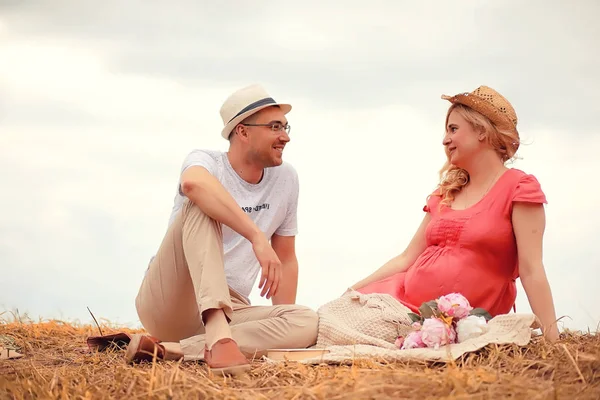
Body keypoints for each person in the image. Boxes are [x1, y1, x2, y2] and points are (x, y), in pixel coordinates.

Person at [125, 84, 318, 375]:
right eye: (275, 126)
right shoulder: (205, 162)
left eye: (286, 126)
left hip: (233, 309)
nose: (285, 136)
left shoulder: (286, 178)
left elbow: (286, 258)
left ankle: (171, 350)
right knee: (199, 203)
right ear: (242, 131)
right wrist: (255, 236)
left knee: (306, 320)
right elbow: (192, 185)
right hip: (175, 296)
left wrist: (281, 321)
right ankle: (215, 334)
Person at [351, 85, 560, 342]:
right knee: (332, 319)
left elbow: (532, 270)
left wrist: (554, 340)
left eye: (453, 129)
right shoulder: (446, 192)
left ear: (481, 131)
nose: (445, 140)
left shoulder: (518, 188)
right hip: (400, 304)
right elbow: (406, 258)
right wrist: (354, 290)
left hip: (462, 323)